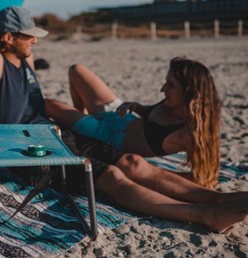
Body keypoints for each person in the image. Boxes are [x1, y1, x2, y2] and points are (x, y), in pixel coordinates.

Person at [0, 7, 248, 233]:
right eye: (27, 35)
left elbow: (35, 107)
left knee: (132, 163)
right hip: (26, 149)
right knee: (111, 177)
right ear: (7, 36)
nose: (35, 39)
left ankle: (217, 200)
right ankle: (206, 215)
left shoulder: (26, 59)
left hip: (56, 135)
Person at [46, 58, 221, 189]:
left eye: (170, 85)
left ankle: (82, 124)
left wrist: (157, 174)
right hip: (118, 115)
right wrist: (136, 106)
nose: (163, 89)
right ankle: (80, 119)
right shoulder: (172, 103)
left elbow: (204, 179)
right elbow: (150, 114)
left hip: (106, 134)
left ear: (189, 92)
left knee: (48, 105)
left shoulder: (189, 134)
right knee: (76, 70)